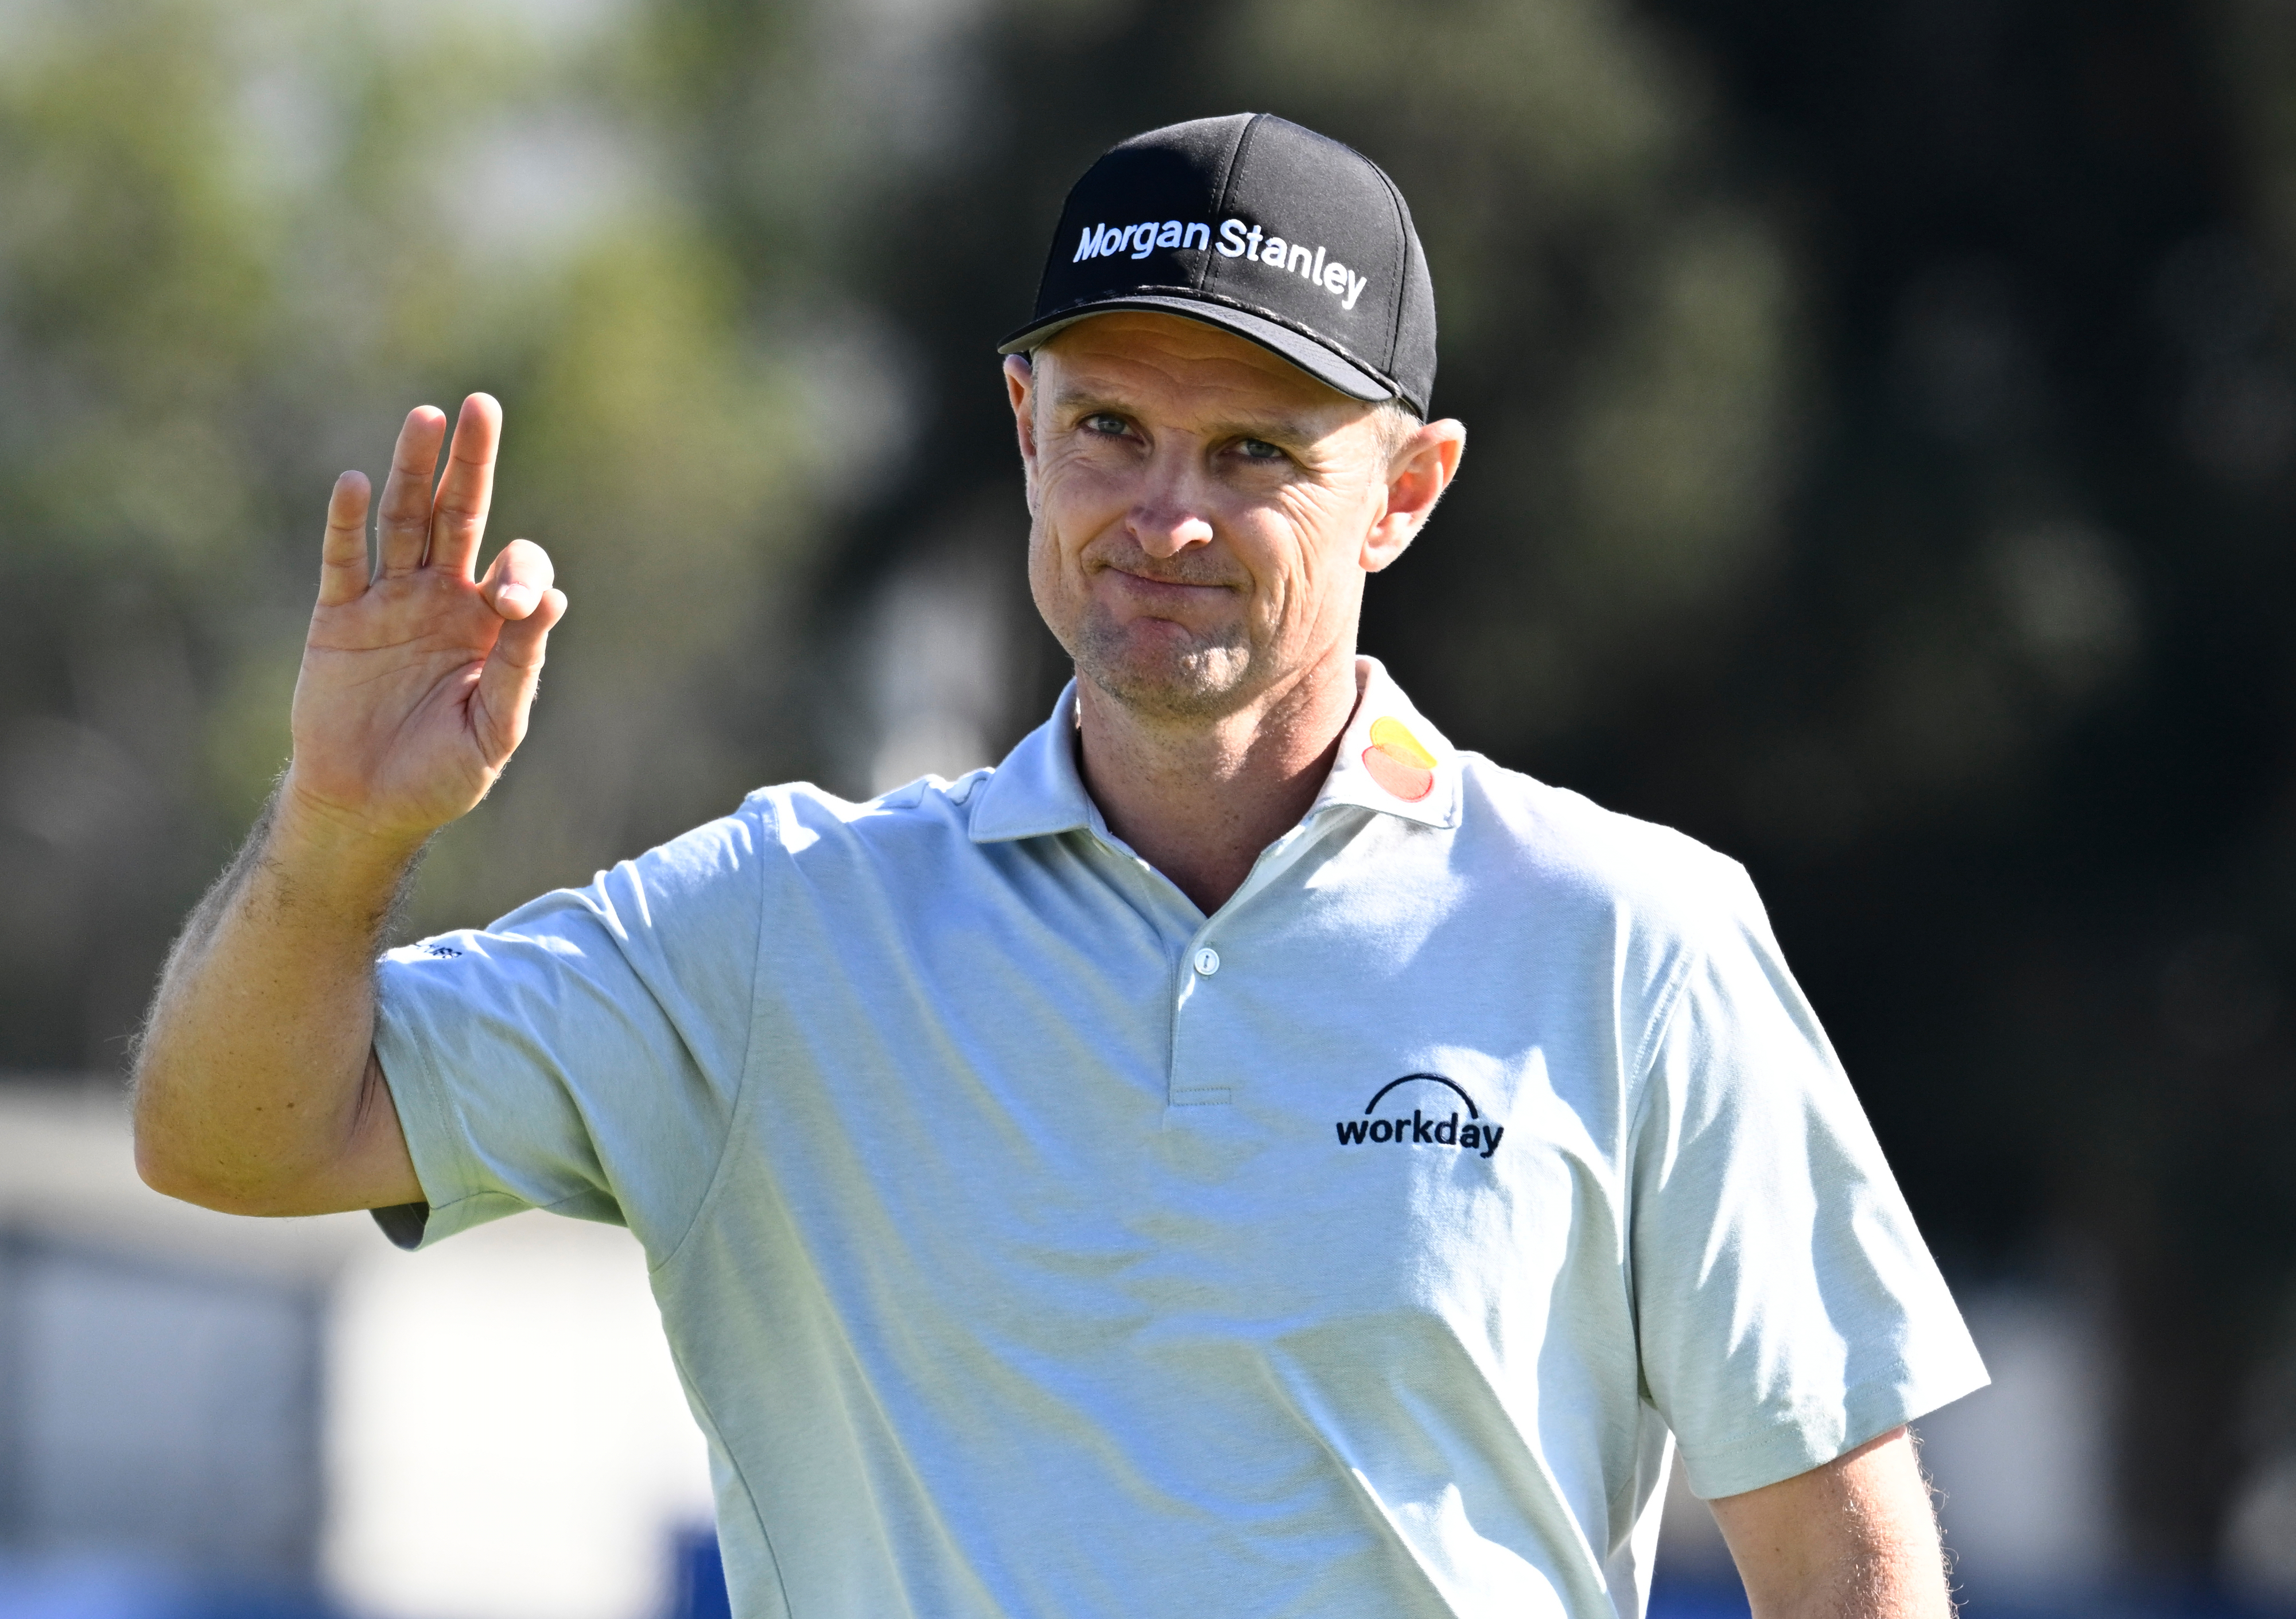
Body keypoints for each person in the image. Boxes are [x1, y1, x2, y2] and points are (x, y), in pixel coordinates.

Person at [134, 114, 1987, 1617]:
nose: (1163, 514)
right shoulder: (776, 931)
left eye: (1256, 450)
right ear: (1025, 428)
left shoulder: (1632, 938)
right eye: (1111, 428)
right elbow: (236, 1136)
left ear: (1406, 493)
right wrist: (338, 835)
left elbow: (1839, 1566)